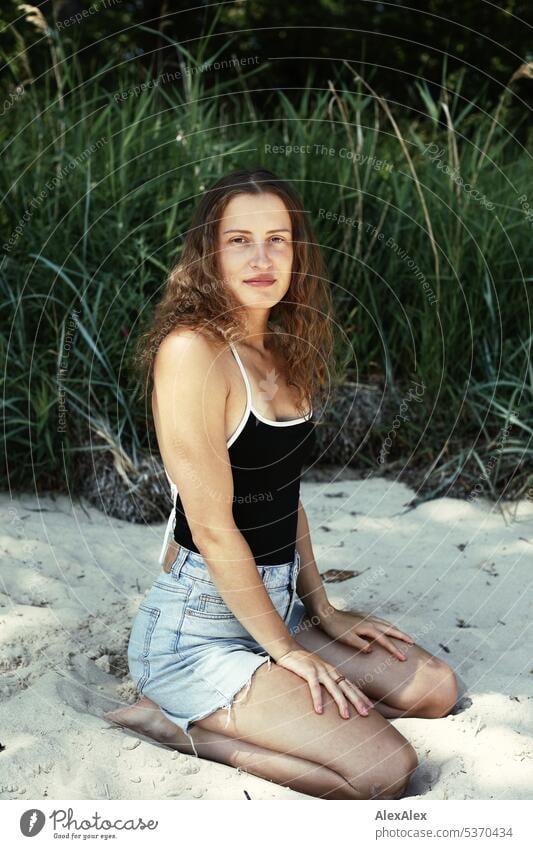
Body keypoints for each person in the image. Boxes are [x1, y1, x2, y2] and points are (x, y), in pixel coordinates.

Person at [105, 169, 459, 800]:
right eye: (239, 239)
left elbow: (283, 494)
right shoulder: (192, 351)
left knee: (435, 691)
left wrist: (321, 609)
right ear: (209, 254)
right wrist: (290, 653)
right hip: (199, 628)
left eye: (278, 239)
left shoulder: (284, 352)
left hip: (278, 607)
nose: (261, 257)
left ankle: (276, 679)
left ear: (299, 254)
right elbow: (213, 530)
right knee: (381, 770)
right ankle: (177, 724)